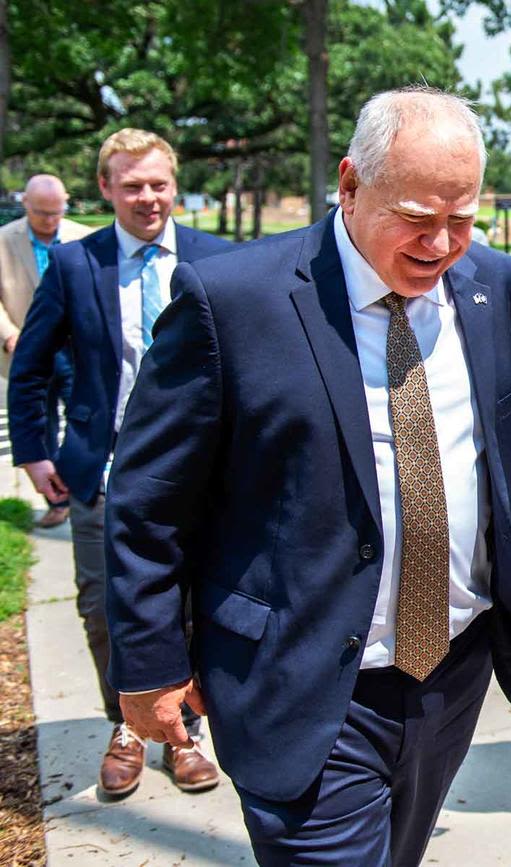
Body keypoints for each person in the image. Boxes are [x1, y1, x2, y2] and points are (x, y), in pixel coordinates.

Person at [103, 87, 511, 866]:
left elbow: (505, 450)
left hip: (453, 669)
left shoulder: (497, 286)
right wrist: (150, 663)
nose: (442, 243)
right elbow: (147, 500)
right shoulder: (234, 301)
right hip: (303, 683)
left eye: (463, 217)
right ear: (348, 184)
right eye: (416, 216)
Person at [8, 131, 230, 796]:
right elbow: (31, 367)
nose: (148, 197)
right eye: (132, 185)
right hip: (102, 471)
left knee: (194, 606)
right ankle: (128, 725)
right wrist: (35, 451)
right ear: (106, 189)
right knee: (105, 607)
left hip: (200, 475)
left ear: (175, 185)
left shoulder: (218, 260)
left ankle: (183, 729)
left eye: (159, 183)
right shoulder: (76, 265)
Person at [0, 174, 93, 528]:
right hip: (27, 348)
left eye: (57, 212)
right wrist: (10, 334)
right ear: (25, 204)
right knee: (38, 426)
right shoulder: (4, 241)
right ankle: (55, 497)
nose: (50, 220)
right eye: (42, 213)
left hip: (74, 351)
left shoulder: (83, 237)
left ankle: (81, 489)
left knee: (82, 419)